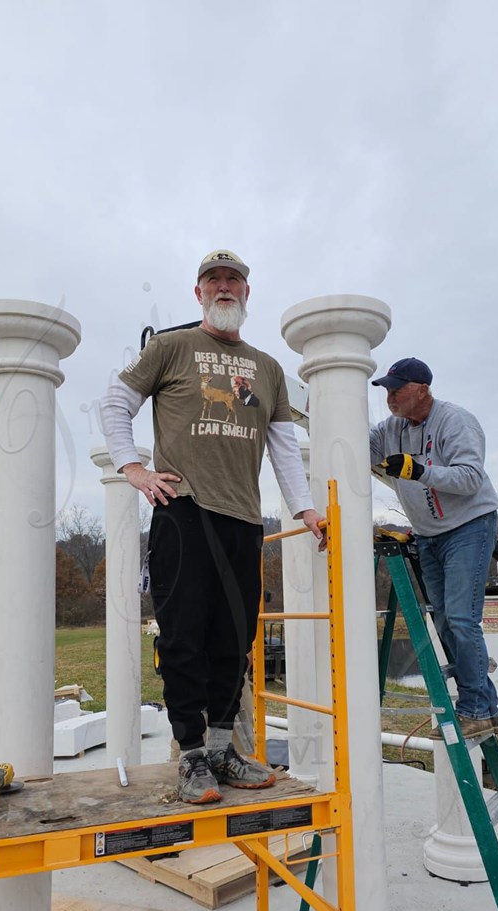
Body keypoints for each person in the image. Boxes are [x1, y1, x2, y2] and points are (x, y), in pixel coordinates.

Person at [101, 249, 325, 802]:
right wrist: (132, 466)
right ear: (197, 292)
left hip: (243, 519)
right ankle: (192, 756)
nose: (224, 287)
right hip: (184, 512)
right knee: (183, 638)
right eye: (213, 280)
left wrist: (305, 509)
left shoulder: (267, 368)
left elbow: (284, 450)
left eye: (234, 280)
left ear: (247, 293)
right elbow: (114, 402)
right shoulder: (170, 348)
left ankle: (225, 750)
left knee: (234, 638)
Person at [369, 357, 498, 739]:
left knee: (461, 620)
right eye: (387, 390)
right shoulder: (391, 428)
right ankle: (486, 710)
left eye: (397, 389)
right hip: (428, 535)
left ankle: (474, 710)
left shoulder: (454, 421)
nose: (390, 397)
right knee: (444, 621)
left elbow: (471, 477)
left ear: (422, 389)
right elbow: (360, 442)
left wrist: (419, 470)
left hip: (468, 527)